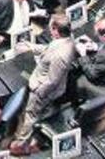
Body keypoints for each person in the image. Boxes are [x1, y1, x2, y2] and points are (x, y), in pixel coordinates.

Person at [9, 15, 76, 155]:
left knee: (30, 115)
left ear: (56, 30)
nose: (49, 30)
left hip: (44, 91)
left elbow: (52, 81)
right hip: (49, 88)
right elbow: (48, 49)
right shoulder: (66, 40)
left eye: (51, 28)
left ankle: (20, 145)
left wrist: (38, 93)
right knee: (33, 112)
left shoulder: (60, 55)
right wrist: (31, 47)